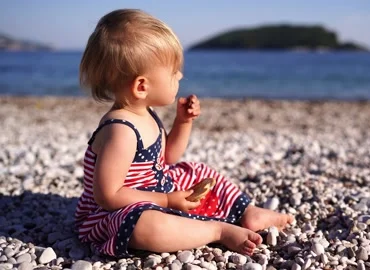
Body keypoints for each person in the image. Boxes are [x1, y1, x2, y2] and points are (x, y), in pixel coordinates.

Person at [74, 9, 293, 258]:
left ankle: (246, 211)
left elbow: (168, 157)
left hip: (157, 187)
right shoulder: (120, 131)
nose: (180, 75)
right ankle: (216, 231)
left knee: (198, 172)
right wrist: (167, 201)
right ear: (142, 86)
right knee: (148, 227)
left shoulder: (145, 113)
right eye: (173, 72)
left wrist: (183, 122)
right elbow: (107, 196)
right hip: (116, 210)